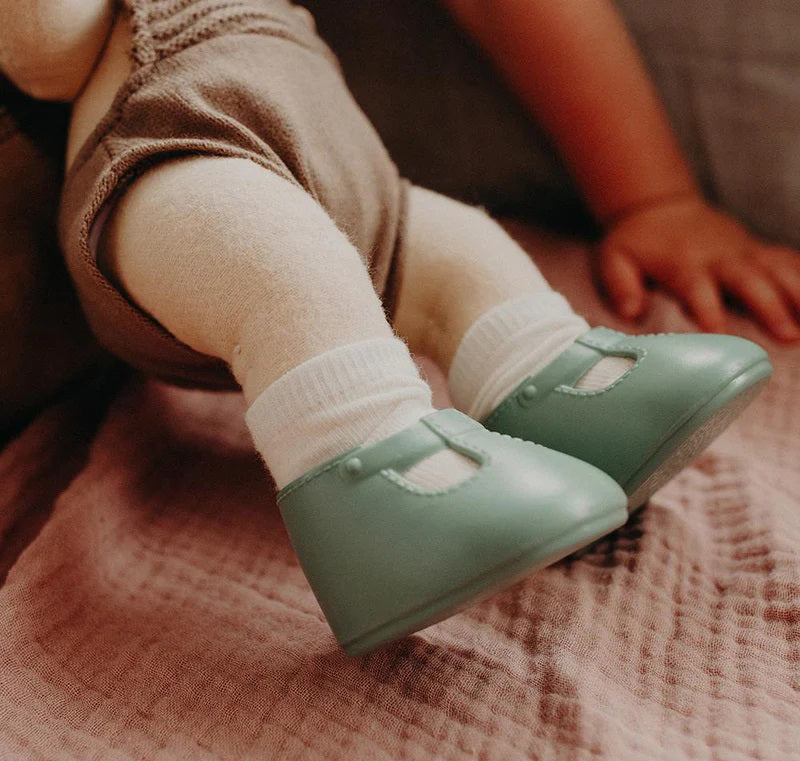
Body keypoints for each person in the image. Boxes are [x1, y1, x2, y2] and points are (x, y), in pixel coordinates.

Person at [0, 0, 774, 654]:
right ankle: (370, 471)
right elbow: (44, 45)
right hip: (168, 158)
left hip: (333, 163)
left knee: (448, 251)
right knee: (280, 261)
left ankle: (554, 381)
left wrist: (653, 201)